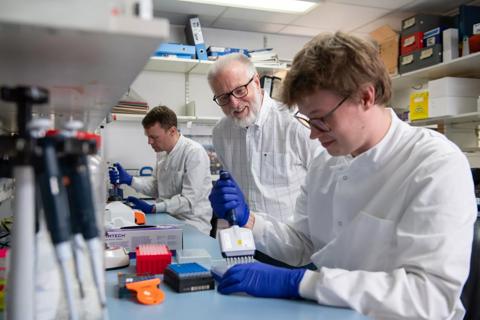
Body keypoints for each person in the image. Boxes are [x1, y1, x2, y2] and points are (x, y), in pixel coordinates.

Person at [209, 32, 477, 319]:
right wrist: (249, 220)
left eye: (321, 119)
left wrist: (301, 282)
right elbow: (303, 246)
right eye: (308, 120)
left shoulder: (434, 165)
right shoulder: (325, 164)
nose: (312, 133)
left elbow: (429, 297)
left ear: (365, 96)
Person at [207, 53, 321, 225]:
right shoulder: (221, 132)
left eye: (239, 90)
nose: (235, 104)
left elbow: (326, 190)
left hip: (293, 243)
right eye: (224, 97)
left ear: (256, 82)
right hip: (244, 239)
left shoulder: (295, 124)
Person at [109, 105, 212, 235]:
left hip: (193, 227)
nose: (149, 142)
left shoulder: (194, 153)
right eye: (148, 136)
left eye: (154, 137)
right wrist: (130, 180)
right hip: (167, 220)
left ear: (172, 131)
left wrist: (154, 208)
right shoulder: (162, 153)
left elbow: (188, 201)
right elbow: (156, 187)